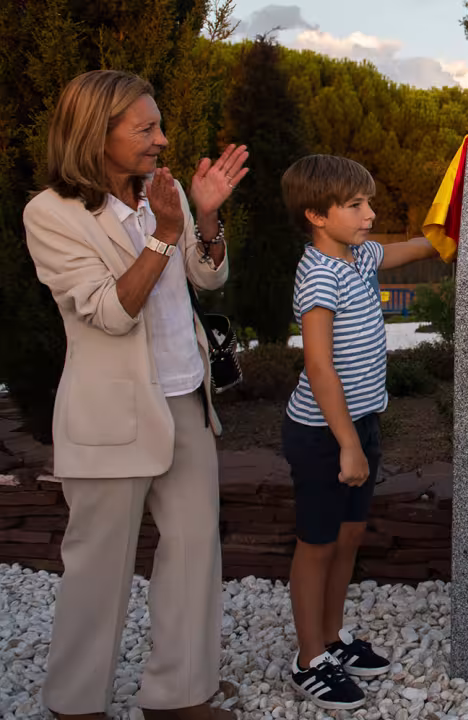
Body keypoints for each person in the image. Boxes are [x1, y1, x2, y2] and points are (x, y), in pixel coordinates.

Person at [23, 69, 247, 720]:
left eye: (159, 125)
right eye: (144, 128)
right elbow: (108, 312)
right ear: (97, 135)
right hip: (112, 419)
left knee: (194, 556)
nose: (162, 139)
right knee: (98, 571)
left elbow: (206, 280)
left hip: (186, 402)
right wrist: (160, 235)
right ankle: (76, 705)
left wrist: (203, 219)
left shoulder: (161, 194)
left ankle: (178, 697)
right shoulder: (51, 215)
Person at [279, 155, 438, 709]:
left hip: (361, 422)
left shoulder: (356, 256)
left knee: (347, 538)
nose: (370, 214)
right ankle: (308, 658)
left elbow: (406, 250)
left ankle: (330, 637)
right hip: (324, 433)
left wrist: (449, 234)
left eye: (369, 202)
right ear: (316, 215)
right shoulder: (320, 272)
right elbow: (319, 365)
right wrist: (347, 443)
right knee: (316, 545)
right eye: (356, 205)